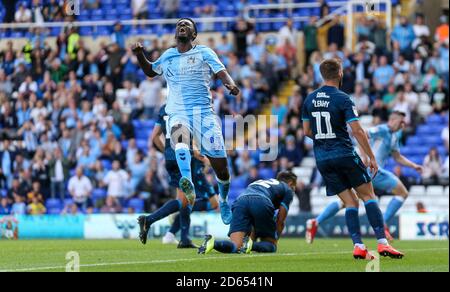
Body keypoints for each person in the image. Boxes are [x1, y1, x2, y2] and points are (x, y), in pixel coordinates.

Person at [132, 18, 239, 240]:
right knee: (180, 138)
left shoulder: (204, 52)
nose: (182, 25)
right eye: (179, 24)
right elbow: (151, 71)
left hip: (203, 114)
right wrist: (139, 54)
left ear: (194, 34)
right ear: (175, 33)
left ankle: (225, 200)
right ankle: (187, 181)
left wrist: (229, 83)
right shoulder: (168, 55)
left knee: (222, 169)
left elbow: (221, 71)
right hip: (177, 111)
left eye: (187, 25)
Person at [301, 58, 404, 260]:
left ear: (322, 75)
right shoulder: (343, 98)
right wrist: (371, 157)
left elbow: (306, 131)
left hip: (323, 159)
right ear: (340, 73)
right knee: (368, 196)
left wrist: (325, 139)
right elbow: (356, 130)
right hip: (344, 154)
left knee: (350, 202)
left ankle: (358, 246)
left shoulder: (309, 99)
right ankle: (383, 243)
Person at [306, 111, 423, 243]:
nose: (402, 124)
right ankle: (382, 224)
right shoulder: (383, 129)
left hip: (373, 170)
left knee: (348, 201)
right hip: (372, 169)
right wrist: (365, 156)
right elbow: (364, 133)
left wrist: (414, 166)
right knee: (401, 192)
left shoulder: (394, 136)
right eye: (400, 121)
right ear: (392, 120)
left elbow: (397, 157)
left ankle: (315, 221)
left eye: (404, 122)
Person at [138, 105, 219, 248]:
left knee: (184, 200)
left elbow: (154, 136)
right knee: (190, 201)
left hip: (170, 158)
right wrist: (201, 156)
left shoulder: (164, 108)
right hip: (186, 159)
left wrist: (167, 151)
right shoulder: (188, 105)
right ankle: (150, 221)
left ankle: (182, 238)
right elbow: (189, 136)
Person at [198, 171, 297, 254]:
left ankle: (213, 242)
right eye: (294, 186)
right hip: (261, 201)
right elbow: (280, 220)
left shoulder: (261, 182)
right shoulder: (287, 189)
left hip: (240, 201)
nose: (294, 189)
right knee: (270, 246)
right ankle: (251, 245)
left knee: (236, 245)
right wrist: (274, 239)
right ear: (290, 183)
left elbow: (253, 216)